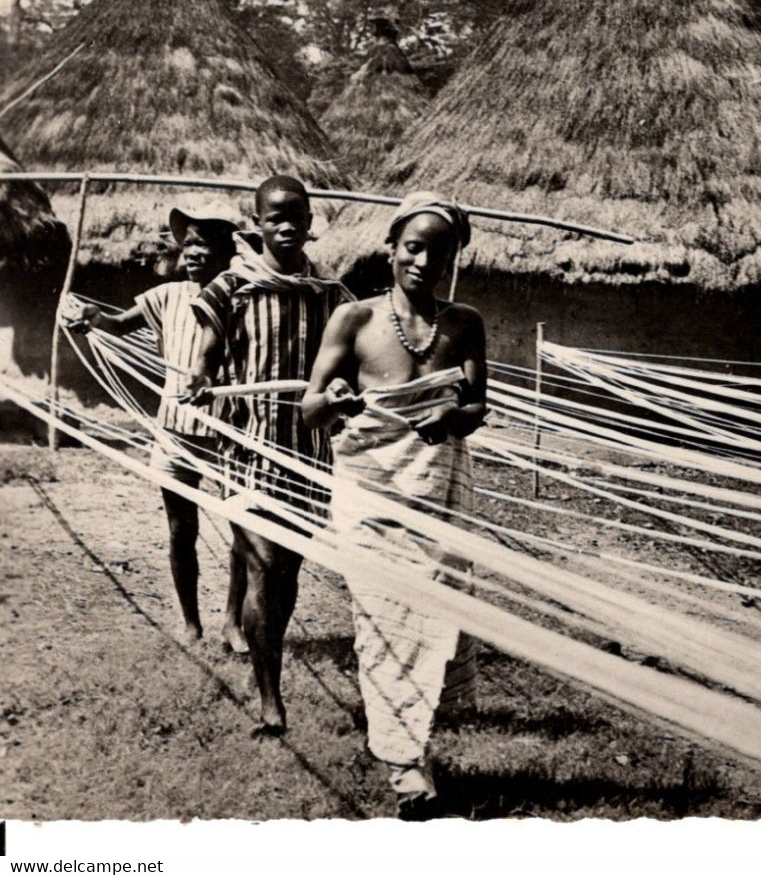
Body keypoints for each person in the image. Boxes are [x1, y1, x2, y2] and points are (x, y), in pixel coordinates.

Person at [302, 192, 487, 817]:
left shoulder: (464, 324)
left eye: (439, 253)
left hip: (437, 493)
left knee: (433, 615)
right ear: (390, 248)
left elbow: (477, 408)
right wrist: (336, 399)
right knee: (382, 622)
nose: (423, 262)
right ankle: (407, 770)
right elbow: (309, 409)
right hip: (370, 492)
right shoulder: (353, 321)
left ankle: (413, 746)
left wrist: (451, 415)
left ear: (452, 261)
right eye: (413, 247)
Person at [182, 176, 354, 737]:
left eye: (295, 216)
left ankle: (267, 659)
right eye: (273, 217)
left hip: (310, 456)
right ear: (255, 225)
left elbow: (352, 366)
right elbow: (205, 358)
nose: (285, 226)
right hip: (248, 450)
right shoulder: (230, 289)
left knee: (286, 577)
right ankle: (270, 700)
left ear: (309, 223)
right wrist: (200, 379)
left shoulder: (332, 297)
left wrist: (346, 395)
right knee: (261, 567)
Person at [65, 204, 241, 647]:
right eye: (189, 245)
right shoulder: (167, 296)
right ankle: (190, 622)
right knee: (182, 531)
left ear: (225, 251)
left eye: (205, 244)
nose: (195, 252)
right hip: (175, 431)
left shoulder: (242, 297)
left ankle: (233, 621)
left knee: (245, 531)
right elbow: (118, 324)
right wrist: (90, 318)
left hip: (229, 433)